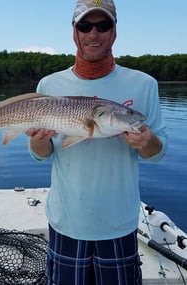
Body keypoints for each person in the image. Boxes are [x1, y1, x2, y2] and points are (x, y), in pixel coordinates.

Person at [26, 0, 167, 284]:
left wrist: (147, 142)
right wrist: (39, 142)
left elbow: (158, 152)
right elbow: (40, 154)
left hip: (119, 222)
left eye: (103, 25)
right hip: (66, 220)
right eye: (85, 25)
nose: (94, 33)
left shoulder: (144, 84)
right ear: (74, 31)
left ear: (114, 32)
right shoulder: (49, 85)